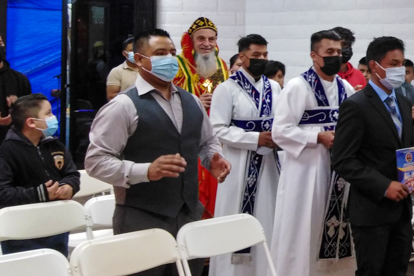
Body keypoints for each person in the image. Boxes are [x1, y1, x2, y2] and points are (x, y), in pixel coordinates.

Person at [86, 29, 232, 276]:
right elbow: (95, 161)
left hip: (188, 213)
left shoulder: (192, 101)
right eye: (160, 53)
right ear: (139, 59)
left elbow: (207, 142)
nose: (170, 59)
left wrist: (213, 159)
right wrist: (145, 171)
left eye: (172, 53)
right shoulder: (123, 105)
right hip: (141, 215)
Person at [332, 36, 414, 276]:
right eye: (393, 64)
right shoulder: (356, 105)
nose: (400, 70)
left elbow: (408, 149)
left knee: (398, 270)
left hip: (402, 209)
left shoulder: (404, 103)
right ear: (374, 66)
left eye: (402, 64)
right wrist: (384, 186)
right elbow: (343, 160)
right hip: (372, 210)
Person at [271, 30, 356, 276]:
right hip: (306, 173)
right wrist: (317, 137)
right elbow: (280, 131)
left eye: (339, 51)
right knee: (303, 228)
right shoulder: (298, 87)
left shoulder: (346, 88)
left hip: (339, 172)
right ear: (314, 55)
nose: (336, 56)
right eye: (329, 52)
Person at [209, 34, 281, 276]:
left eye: (265, 55)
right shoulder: (226, 88)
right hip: (239, 166)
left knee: (268, 218)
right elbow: (217, 128)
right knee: (236, 221)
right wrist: (255, 138)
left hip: (270, 165)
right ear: (242, 57)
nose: (262, 59)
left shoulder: (274, 87)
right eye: (256, 55)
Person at [0, 94, 79, 256]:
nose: (53, 117)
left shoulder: (55, 145)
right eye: (48, 113)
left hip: (57, 227)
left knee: (57, 264)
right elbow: (3, 193)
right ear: (31, 122)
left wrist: (69, 186)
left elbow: (72, 173)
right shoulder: (7, 151)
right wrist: (40, 194)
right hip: (21, 233)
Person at [173, 17, 229, 220]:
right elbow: (169, 97)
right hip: (187, 135)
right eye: (201, 39)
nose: (207, 44)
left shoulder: (220, 65)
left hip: (216, 134)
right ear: (191, 41)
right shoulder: (177, 65)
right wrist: (194, 100)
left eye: (211, 39)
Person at [0, 34, 32, 145]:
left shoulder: (19, 79)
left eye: (0, 43)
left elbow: (29, 112)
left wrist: (17, 112)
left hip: (13, 142)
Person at [331, 26, 367, 91]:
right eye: (342, 45)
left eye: (348, 45)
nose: (346, 49)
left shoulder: (358, 75)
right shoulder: (326, 74)